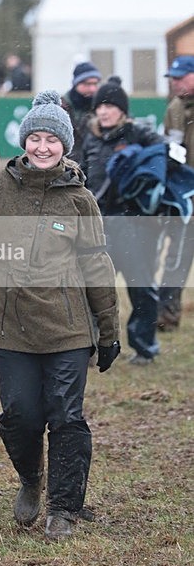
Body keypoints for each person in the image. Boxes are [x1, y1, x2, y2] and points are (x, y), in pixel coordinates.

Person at [0, 91, 120, 540]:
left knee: (66, 418)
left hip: (69, 331)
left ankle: (64, 510)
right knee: (19, 417)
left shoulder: (80, 199)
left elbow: (97, 266)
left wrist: (108, 332)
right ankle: (32, 480)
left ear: (64, 145)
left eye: (52, 139)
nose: (42, 147)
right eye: (36, 138)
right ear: (24, 140)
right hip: (13, 331)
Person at [80, 76, 163, 365]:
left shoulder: (140, 135)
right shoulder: (90, 138)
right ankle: (89, 346)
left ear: (123, 110)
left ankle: (144, 348)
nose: (104, 111)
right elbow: (80, 175)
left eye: (110, 106)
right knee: (93, 288)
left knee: (141, 288)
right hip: (98, 224)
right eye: (100, 106)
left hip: (134, 225)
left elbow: (167, 158)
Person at [157, 55, 194, 331]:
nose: (176, 83)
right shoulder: (175, 108)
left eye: (181, 77)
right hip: (186, 195)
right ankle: (167, 317)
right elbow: (172, 148)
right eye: (173, 78)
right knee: (178, 257)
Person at [62, 61, 102, 163]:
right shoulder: (60, 107)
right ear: (76, 84)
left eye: (95, 84)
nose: (92, 88)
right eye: (87, 84)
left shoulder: (102, 108)